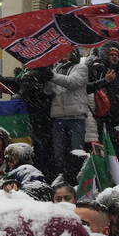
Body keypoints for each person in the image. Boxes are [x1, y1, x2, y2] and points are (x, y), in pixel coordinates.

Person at [44, 47, 89, 177]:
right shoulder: (56, 69)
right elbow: (48, 90)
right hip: (58, 117)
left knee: (77, 153)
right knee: (59, 154)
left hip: (76, 117)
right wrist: (43, 76)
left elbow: (71, 82)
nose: (62, 54)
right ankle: (61, 179)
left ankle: (79, 179)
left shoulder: (80, 67)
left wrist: (50, 76)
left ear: (73, 53)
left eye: (66, 51)